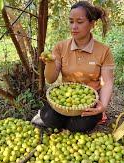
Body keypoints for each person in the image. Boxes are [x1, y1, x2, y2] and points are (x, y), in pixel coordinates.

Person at [32, 1, 115, 132]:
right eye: (71, 21)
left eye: (80, 22)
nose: (74, 27)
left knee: (81, 126)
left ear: (92, 24)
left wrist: (102, 106)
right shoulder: (60, 47)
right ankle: (59, 120)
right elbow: (50, 79)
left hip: (87, 103)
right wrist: (50, 62)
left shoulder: (103, 51)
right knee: (49, 118)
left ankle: (69, 123)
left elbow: (108, 82)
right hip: (64, 100)